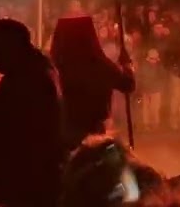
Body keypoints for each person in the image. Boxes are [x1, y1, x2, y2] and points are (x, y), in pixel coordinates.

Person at [0, 18, 65, 207]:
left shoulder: (25, 81)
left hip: (25, 186)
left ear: (8, 48)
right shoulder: (35, 70)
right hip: (31, 181)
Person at [50, 14, 136, 148]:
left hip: (61, 136)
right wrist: (126, 65)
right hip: (92, 136)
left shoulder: (53, 66)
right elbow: (128, 84)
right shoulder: (99, 64)